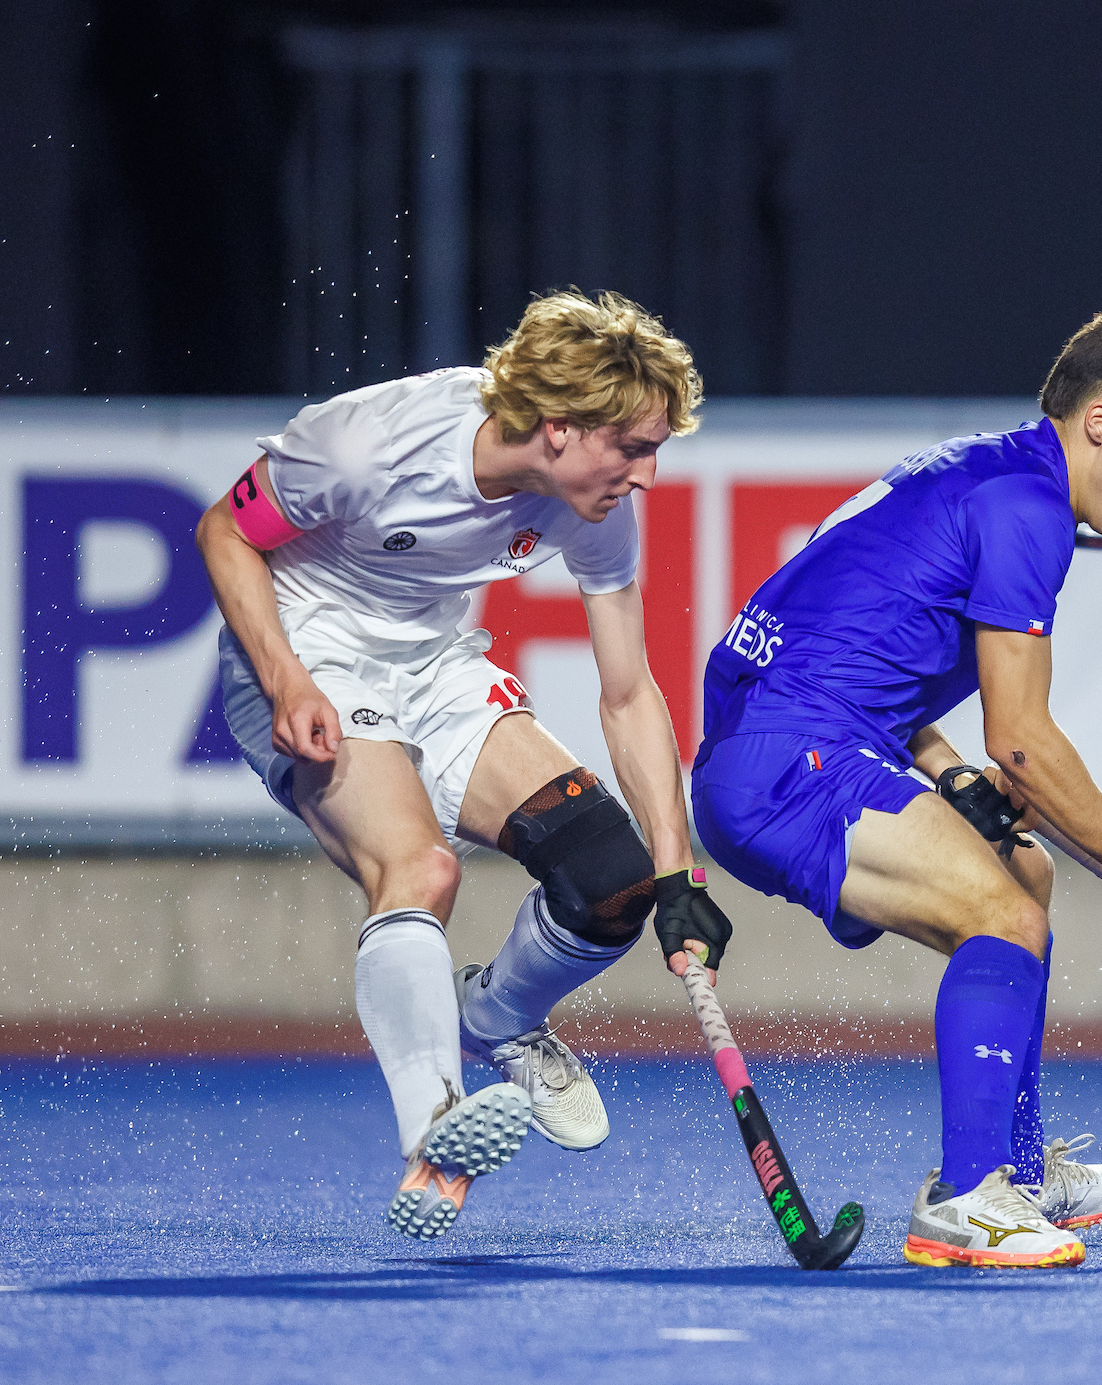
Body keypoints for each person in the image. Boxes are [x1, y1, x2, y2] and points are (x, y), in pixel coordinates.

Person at [690, 298, 1102, 1268]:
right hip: (792, 759)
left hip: (787, 743)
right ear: (1101, 420)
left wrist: (946, 771)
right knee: (999, 914)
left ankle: (1015, 1173)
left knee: (1021, 879)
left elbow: (847, 643)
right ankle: (966, 1199)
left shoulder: (979, 470)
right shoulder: (1027, 509)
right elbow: (1024, 741)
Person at [194, 290, 733, 1239]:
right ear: (560, 429)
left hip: (436, 661)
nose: (647, 476)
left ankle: (497, 1016)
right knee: (421, 870)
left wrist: (675, 866)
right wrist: (285, 681)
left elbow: (627, 692)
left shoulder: (593, 502)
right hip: (305, 648)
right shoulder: (368, 445)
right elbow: (224, 532)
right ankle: (433, 1135)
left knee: (611, 879)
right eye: (635, 448)